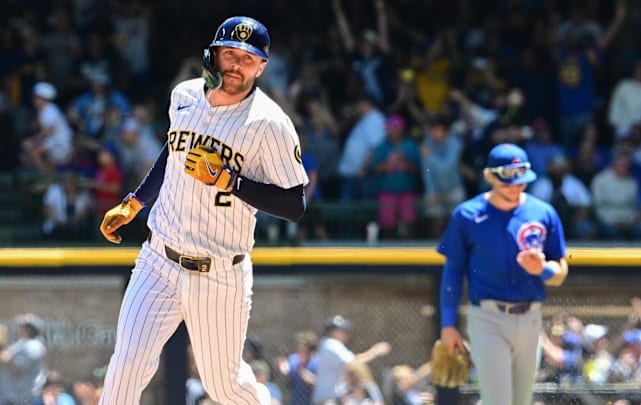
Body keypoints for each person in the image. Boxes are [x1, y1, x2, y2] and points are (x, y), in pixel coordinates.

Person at [97, 15, 308, 405]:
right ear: (213, 54)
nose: (236, 64)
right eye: (230, 53)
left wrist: (229, 180)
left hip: (219, 271)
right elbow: (173, 152)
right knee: (127, 364)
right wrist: (135, 202)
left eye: (248, 58)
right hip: (158, 259)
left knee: (225, 386)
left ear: (262, 66)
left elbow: (295, 204)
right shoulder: (185, 95)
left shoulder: (270, 124)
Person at [437, 143, 569, 405]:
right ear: (489, 176)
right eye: (508, 181)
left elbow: (561, 273)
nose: (515, 186)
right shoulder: (467, 215)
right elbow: (452, 271)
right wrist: (448, 325)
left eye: (521, 181)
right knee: (499, 401)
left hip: (531, 317)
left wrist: (541, 270)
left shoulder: (543, 213)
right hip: (488, 317)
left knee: (521, 401)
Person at [312, 315, 391, 405]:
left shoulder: (329, 344)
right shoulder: (331, 344)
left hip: (331, 399)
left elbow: (353, 361)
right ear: (333, 332)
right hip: (327, 400)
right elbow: (354, 363)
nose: (345, 333)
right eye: (342, 330)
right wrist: (375, 351)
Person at [0, 314, 48, 405]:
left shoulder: (34, 347)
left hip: (22, 399)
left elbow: (16, 370)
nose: (20, 328)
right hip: (9, 398)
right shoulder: (21, 343)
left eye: (22, 326)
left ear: (29, 329)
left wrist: (1, 350)